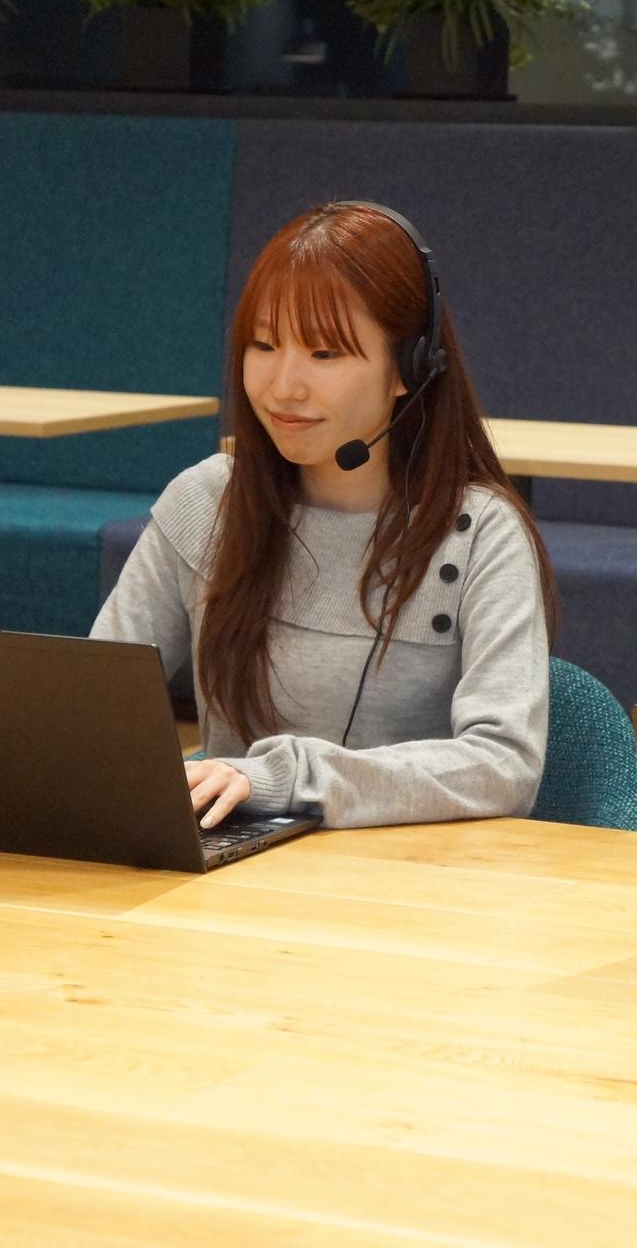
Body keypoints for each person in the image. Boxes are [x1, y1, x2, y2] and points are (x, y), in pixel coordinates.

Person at [94, 201, 558, 830]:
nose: (284, 386)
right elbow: (93, 705)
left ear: (410, 368)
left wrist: (290, 779)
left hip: (406, 874)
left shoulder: (479, 535)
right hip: (224, 869)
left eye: (324, 354)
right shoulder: (207, 502)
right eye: (264, 345)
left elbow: (504, 765)